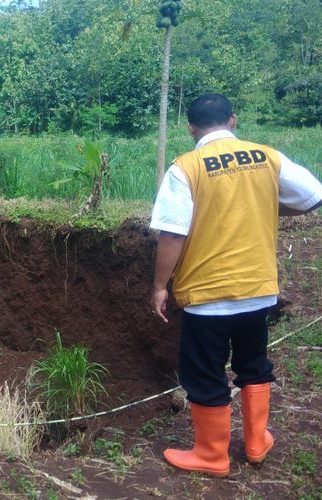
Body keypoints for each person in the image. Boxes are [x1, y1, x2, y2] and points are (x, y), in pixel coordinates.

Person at [150, 93, 322, 477]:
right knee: (254, 365)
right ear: (232, 120)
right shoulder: (266, 157)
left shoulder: (186, 168)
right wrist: (268, 203)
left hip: (207, 296)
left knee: (205, 372)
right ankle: (258, 443)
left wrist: (160, 285)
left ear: (191, 128)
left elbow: (172, 234)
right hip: (257, 290)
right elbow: (314, 196)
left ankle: (212, 455)